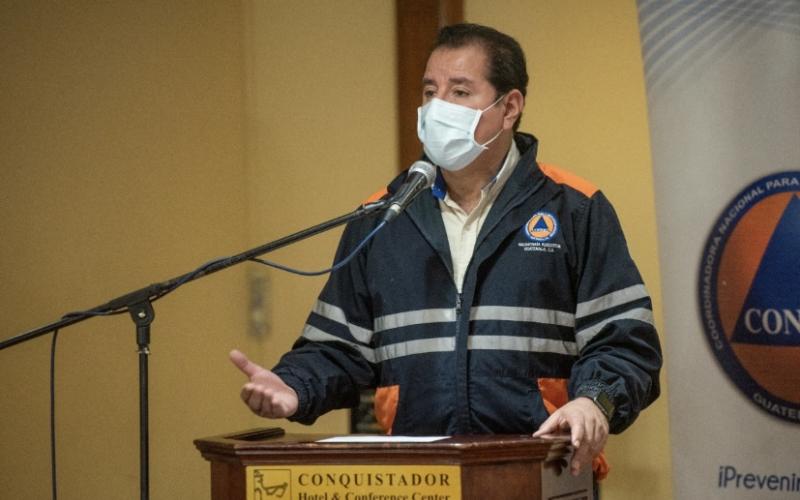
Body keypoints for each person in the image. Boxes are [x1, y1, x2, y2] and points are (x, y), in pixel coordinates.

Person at [230, 23, 662, 480]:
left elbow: (626, 343)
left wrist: (593, 399)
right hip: (419, 477)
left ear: (509, 107)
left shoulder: (575, 208)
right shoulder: (382, 218)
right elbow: (337, 349)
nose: (439, 107)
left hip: (543, 471)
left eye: (460, 92)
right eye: (430, 91)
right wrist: (293, 386)